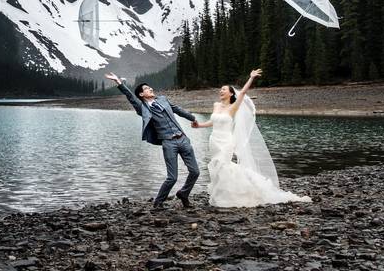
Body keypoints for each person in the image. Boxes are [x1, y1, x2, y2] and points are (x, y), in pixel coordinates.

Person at [191, 68, 311, 207]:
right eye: (220, 89)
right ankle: (220, 194)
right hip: (214, 140)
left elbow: (242, 92)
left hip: (226, 141)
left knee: (224, 164)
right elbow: (213, 122)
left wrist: (251, 77)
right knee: (217, 166)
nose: (221, 91)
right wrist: (199, 125)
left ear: (230, 93)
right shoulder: (216, 105)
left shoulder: (233, 107)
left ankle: (234, 195)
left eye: (224, 89)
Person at [104, 73, 199, 208]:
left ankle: (183, 193)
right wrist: (119, 83)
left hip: (183, 139)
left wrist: (192, 118)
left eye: (150, 87)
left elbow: (177, 109)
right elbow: (131, 97)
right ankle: (158, 202)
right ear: (142, 95)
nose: (151, 89)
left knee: (195, 172)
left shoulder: (163, 99)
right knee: (172, 177)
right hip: (168, 143)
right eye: (147, 89)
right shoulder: (142, 108)